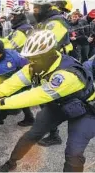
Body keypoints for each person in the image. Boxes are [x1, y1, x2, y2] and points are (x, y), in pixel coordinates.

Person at [0, 30, 95, 172]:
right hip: (58, 105)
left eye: (34, 58)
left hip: (86, 110)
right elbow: (13, 82)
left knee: (74, 153)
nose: (30, 62)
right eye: (29, 58)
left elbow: (36, 95)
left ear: (48, 55)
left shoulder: (67, 75)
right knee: (31, 135)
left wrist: (0, 103)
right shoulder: (35, 66)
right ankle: (11, 163)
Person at [31, 0, 74, 147]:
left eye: (36, 8)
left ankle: (55, 135)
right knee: (47, 100)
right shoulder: (45, 21)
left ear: (46, 7)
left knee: (49, 100)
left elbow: (44, 44)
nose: (34, 11)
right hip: (44, 66)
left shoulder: (56, 22)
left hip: (54, 67)